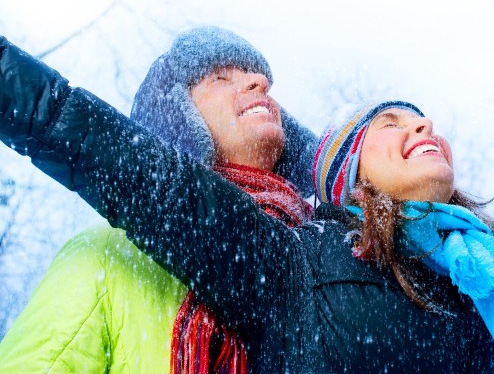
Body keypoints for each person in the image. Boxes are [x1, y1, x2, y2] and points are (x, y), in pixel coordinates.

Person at [1, 36, 494, 373]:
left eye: (424, 121)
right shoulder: (293, 264)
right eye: (392, 122)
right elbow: (81, 132)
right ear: (349, 171)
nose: (422, 128)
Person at [0, 27, 318, 374]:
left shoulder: (335, 251)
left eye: (257, 78)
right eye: (222, 78)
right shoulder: (108, 257)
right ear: (180, 119)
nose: (260, 80)